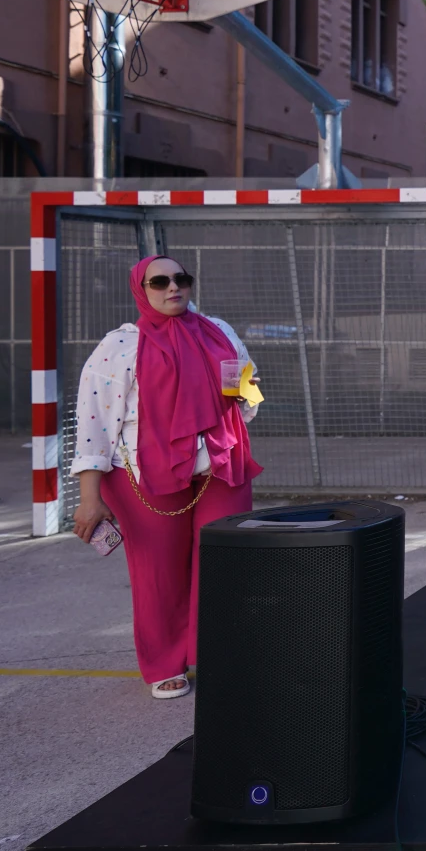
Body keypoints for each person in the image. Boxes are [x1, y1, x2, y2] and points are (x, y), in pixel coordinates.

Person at [69, 257, 263, 698]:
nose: (172, 287)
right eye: (159, 281)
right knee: (159, 572)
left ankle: (218, 654)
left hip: (219, 465)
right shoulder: (120, 346)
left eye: (181, 279)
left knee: (226, 563)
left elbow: (248, 390)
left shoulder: (219, 331)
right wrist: (89, 497)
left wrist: (241, 398)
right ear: (141, 289)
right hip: (144, 473)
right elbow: (93, 424)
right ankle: (164, 663)